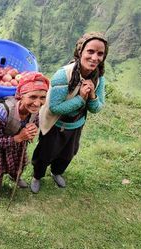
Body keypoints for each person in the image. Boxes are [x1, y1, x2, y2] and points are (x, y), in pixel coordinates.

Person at [31, 32, 109, 193]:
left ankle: (56, 172)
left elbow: (96, 108)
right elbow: (55, 107)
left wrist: (92, 95)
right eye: (90, 51)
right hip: (55, 124)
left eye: (100, 54)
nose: (95, 58)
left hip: (75, 125)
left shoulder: (99, 79)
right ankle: (37, 176)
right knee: (45, 153)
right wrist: (81, 99)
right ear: (81, 51)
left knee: (68, 154)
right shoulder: (63, 75)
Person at [0, 72, 50, 203]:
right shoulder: (3, 111)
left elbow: (35, 122)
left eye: (42, 98)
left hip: (18, 148)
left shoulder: (34, 109)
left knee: (19, 166)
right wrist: (18, 137)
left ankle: (15, 177)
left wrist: (33, 129)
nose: (37, 103)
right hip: (0, 151)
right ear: (21, 95)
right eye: (32, 96)